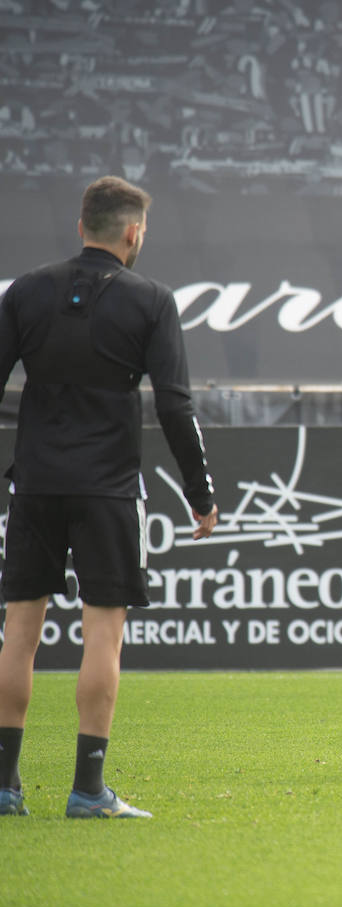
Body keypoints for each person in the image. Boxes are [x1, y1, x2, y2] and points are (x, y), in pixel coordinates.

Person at [0, 176, 218, 819]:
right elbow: (175, 405)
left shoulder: (27, 291)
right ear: (132, 232)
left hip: (35, 483)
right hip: (109, 490)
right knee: (104, 635)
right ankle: (88, 791)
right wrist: (201, 493)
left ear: (79, 227)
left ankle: (5, 788)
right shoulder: (150, 300)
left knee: (19, 634)